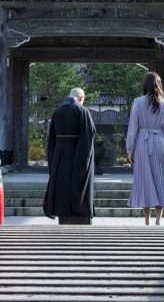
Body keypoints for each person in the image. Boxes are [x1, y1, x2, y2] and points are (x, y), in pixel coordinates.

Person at [126, 72, 164, 225]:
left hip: (143, 142)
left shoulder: (138, 102)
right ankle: (158, 220)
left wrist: (130, 149)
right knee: (160, 180)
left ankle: (147, 220)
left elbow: (133, 128)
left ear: (145, 85)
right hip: (160, 142)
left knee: (144, 181)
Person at [43, 87, 96, 224]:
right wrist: (86, 160)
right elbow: (88, 137)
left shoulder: (58, 111)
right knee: (77, 182)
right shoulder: (82, 111)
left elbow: (51, 139)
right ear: (81, 98)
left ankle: (62, 215)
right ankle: (79, 214)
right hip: (77, 154)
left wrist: (53, 159)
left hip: (59, 155)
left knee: (62, 185)